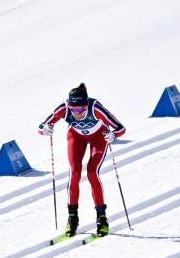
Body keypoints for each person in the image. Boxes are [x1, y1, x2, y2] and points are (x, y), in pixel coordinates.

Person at [38, 83, 126, 237]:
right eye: (73, 110)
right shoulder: (64, 108)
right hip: (76, 137)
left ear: (86, 105)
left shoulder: (96, 108)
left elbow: (120, 128)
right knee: (75, 173)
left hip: (99, 137)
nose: (76, 113)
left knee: (92, 172)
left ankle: (101, 218)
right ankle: (72, 218)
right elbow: (41, 126)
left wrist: (113, 135)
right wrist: (45, 129)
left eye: (80, 110)